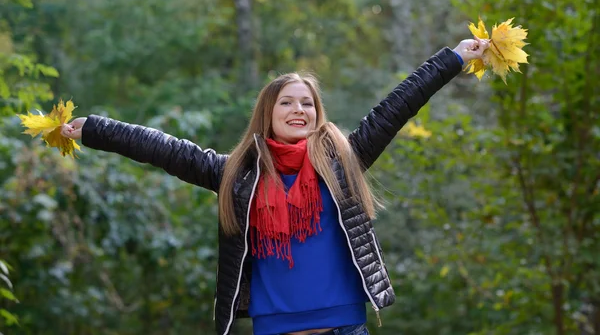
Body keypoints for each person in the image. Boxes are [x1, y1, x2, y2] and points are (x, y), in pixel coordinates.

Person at [62, 38, 489, 335]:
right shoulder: (235, 175)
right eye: (287, 101)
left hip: (345, 324)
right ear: (268, 114)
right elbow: (165, 149)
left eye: (307, 102)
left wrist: (453, 58)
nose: (298, 109)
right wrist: (97, 130)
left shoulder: (343, 161)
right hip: (276, 327)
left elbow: (397, 106)